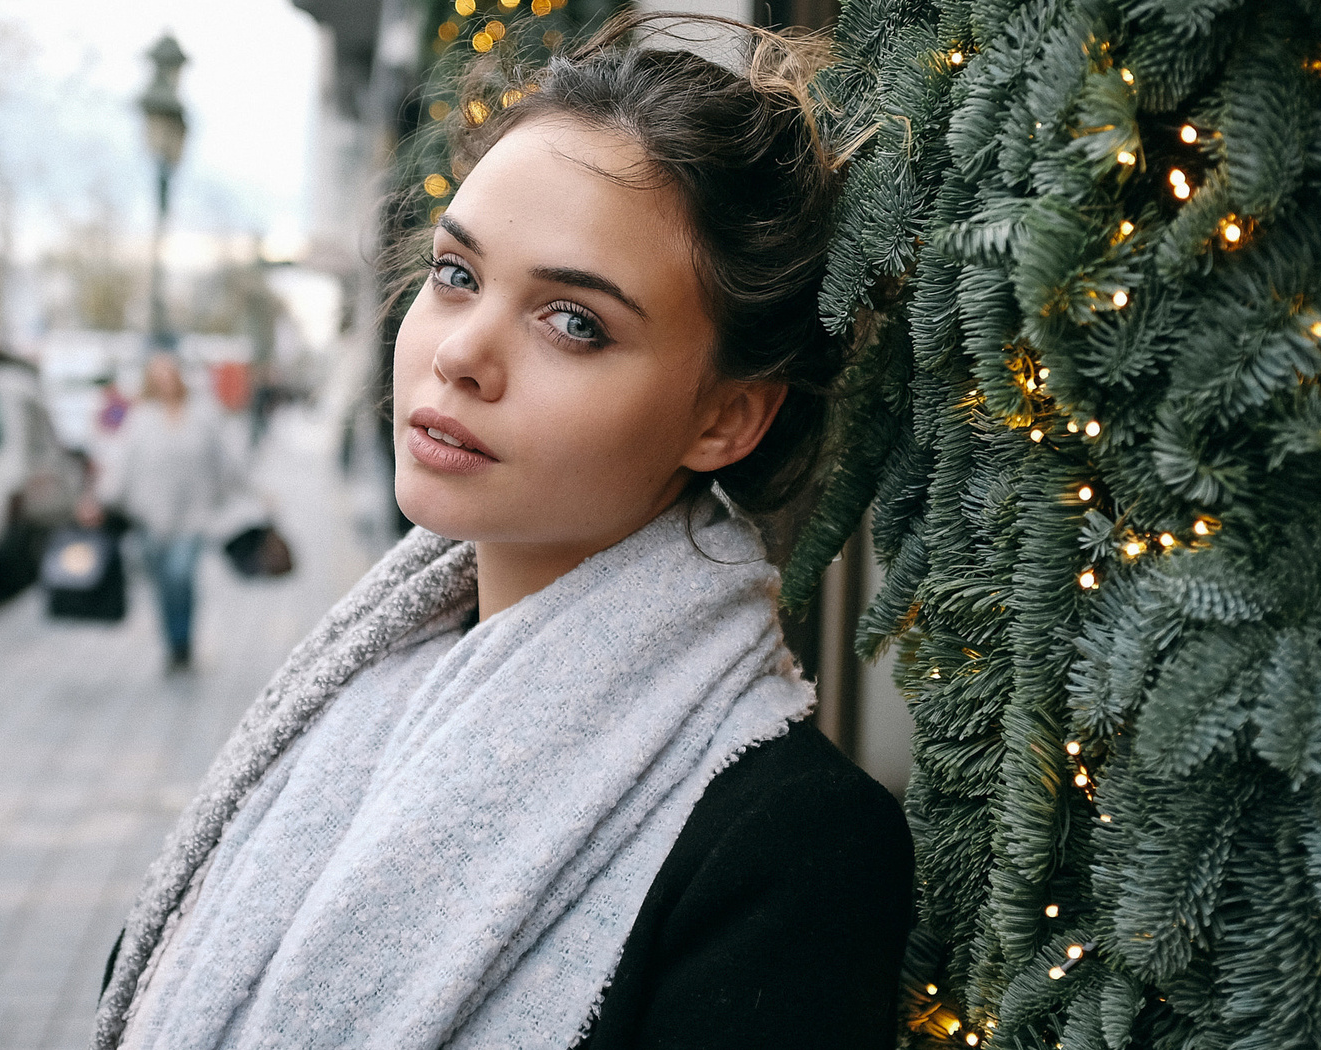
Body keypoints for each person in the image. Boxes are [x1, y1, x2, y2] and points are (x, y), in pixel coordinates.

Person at [93, 15, 913, 1050]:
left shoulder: (789, 847)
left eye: (575, 322)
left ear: (725, 417)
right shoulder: (350, 692)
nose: (461, 354)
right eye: (457, 274)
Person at [80, 352, 242, 671]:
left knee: (181, 576)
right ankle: (172, 642)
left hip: (193, 517)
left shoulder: (201, 415)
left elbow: (223, 463)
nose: (165, 381)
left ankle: (182, 644)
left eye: (169, 374)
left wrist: (248, 493)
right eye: (158, 376)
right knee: (163, 584)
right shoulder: (141, 418)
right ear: (150, 381)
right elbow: (122, 467)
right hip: (150, 519)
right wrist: (98, 499)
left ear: (179, 377)